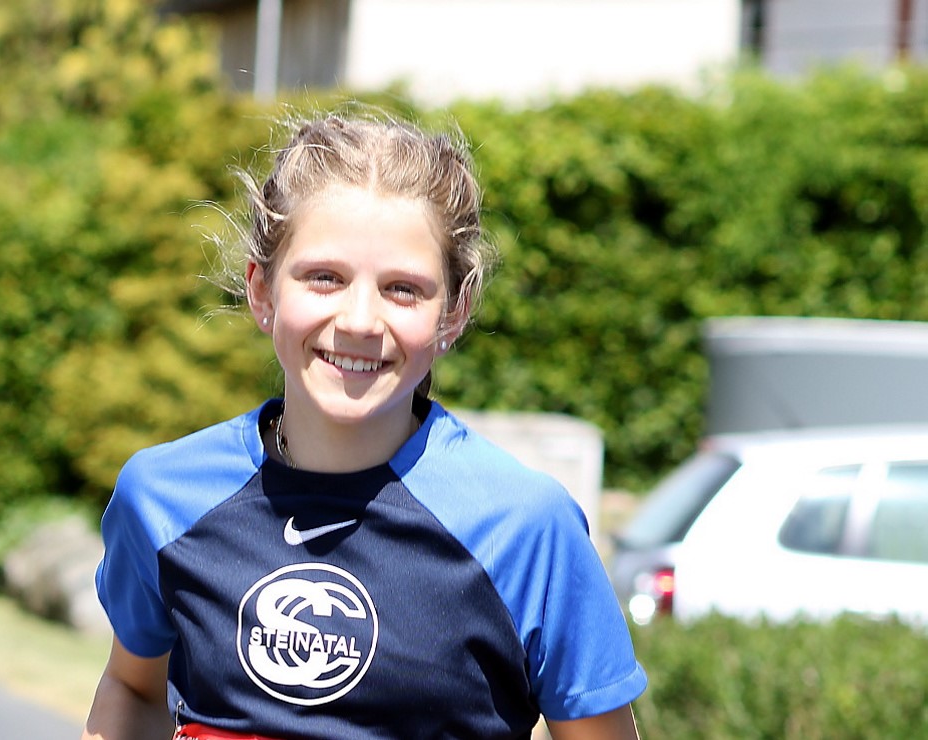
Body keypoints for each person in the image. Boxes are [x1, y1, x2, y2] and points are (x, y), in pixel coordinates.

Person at [82, 112, 647, 740]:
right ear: (262, 292)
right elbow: (134, 687)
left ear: (453, 313)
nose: (358, 321)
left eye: (403, 289)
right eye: (324, 278)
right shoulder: (163, 496)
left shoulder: (526, 527)